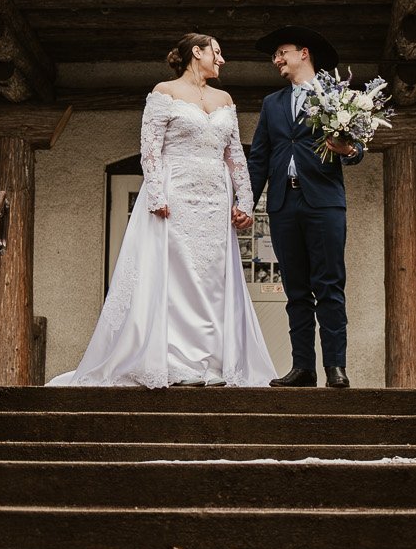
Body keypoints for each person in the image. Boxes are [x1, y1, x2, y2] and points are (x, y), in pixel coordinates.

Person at [49, 33, 278, 387]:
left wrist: (244, 201)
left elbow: (235, 156)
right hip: (175, 194)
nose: (222, 60)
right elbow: (150, 149)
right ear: (196, 53)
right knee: (176, 276)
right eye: (216, 52)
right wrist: (156, 193)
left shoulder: (225, 99)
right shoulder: (164, 93)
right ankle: (175, 361)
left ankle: (214, 362)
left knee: (212, 278)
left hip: (215, 198)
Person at [246, 25, 363, 388]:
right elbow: (260, 159)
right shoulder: (271, 104)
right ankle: (303, 368)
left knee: (329, 284)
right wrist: (245, 205)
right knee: (295, 290)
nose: (276, 60)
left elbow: (356, 148)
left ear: (304, 53)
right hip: (283, 204)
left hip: (324, 203)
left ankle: (336, 368)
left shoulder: (335, 97)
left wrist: (349, 150)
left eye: (282, 52)